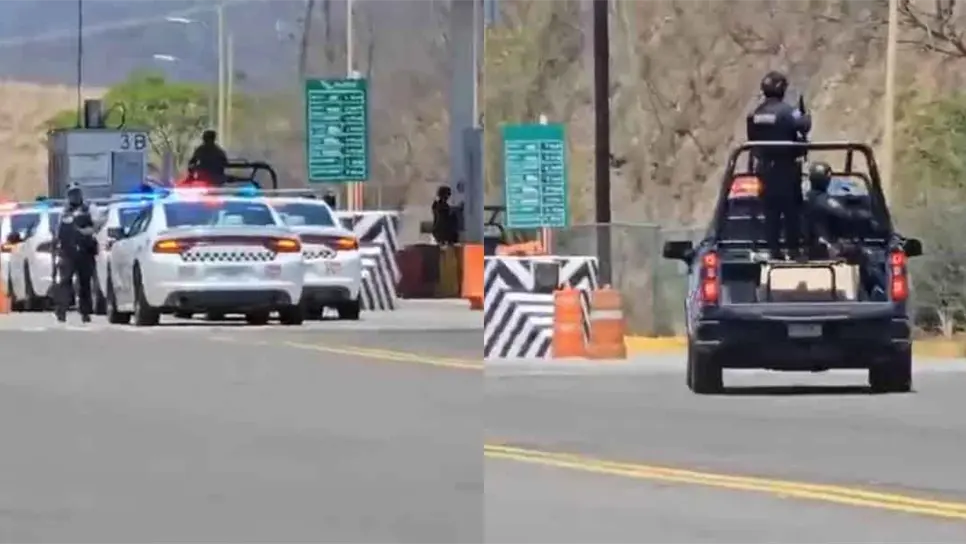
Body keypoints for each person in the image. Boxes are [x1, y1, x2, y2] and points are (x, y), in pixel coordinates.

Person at [746, 70, 812, 260]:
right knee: (791, 210)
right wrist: (806, 114)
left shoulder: (755, 114)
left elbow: (753, 139)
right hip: (786, 169)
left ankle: (774, 250)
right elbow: (804, 125)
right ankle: (793, 249)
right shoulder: (788, 112)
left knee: (770, 212)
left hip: (764, 169)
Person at [804, 161, 888, 298]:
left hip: (816, 245)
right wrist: (866, 215)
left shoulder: (808, 198)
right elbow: (846, 214)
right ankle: (880, 293)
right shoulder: (822, 200)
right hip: (828, 248)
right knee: (866, 256)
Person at [54, 183, 98, 323]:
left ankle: (85, 312)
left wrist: (85, 232)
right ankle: (61, 310)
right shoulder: (64, 211)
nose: (74, 196)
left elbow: (96, 226)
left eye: (76, 193)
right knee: (65, 282)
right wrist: (57, 247)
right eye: (72, 194)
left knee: (85, 283)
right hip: (68, 252)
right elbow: (58, 232)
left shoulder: (89, 208)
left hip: (85, 251)